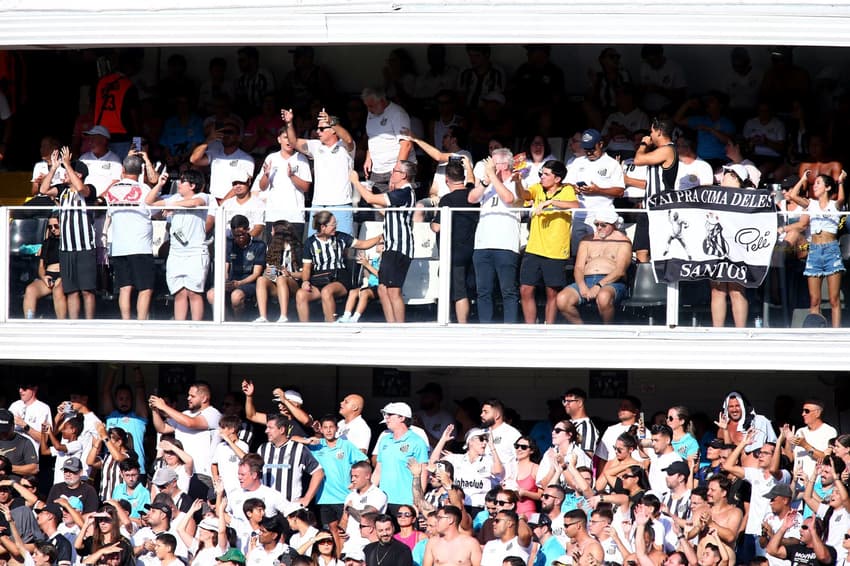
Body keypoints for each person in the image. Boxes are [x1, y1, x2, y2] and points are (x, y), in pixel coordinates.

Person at [350, 161, 417, 323]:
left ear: (403, 175)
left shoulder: (404, 192)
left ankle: (399, 329)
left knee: (394, 291)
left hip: (399, 247)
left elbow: (369, 198)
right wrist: (370, 196)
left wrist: (355, 182)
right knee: (382, 288)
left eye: (395, 171)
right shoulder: (401, 193)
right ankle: (391, 326)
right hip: (391, 246)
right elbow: (385, 210)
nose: (392, 173)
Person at [514, 159, 578, 324]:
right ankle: (530, 327)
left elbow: (575, 205)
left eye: (546, 174)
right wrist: (518, 183)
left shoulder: (567, 190)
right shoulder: (537, 187)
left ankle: (549, 328)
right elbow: (524, 195)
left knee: (552, 292)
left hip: (556, 250)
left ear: (557, 179)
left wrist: (551, 202)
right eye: (542, 173)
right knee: (525, 289)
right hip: (534, 248)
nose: (542, 177)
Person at [38, 148, 98, 319]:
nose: (64, 174)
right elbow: (43, 189)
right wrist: (54, 167)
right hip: (66, 248)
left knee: (87, 290)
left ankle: (89, 324)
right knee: (71, 291)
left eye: (68, 172)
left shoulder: (89, 189)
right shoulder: (62, 190)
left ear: (78, 174)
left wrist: (68, 165)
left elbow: (81, 188)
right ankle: (73, 324)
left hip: (85, 246)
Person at [782, 170, 846, 327]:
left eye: (818, 183)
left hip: (832, 250)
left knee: (833, 299)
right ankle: (815, 331)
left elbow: (842, 198)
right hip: (815, 251)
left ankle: (835, 334)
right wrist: (803, 179)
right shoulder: (812, 204)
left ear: (828, 187)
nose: (814, 185)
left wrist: (841, 182)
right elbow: (793, 196)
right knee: (814, 299)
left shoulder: (834, 204)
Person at [145, 169, 210, 321]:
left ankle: (196, 329)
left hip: (195, 252)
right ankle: (180, 328)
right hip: (175, 253)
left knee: (194, 293)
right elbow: (149, 202)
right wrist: (159, 185)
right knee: (179, 293)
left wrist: (173, 206)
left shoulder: (203, 196)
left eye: (183, 181)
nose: (178, 184)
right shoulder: (174, 198)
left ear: (192, 185)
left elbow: (195, 203)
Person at [296, 210, 383, 322]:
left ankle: (331, 325)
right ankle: (305, 329)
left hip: (339, 278)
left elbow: (363, 244)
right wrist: (305, 281)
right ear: (323, 227)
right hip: (319, 279)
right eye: (333, 224)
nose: (336, 227)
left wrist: (379, 237)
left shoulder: (341, 237)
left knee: (327, 292)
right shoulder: (310, 242)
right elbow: (307, 267)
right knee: (300, 294)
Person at [283, 108, 357, 238]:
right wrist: (289, 123)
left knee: (343, 245)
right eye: (317, 129)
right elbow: (293, 142)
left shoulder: (345, 147)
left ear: (333, 129)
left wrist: (331, 121)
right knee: (315, 245)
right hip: (318, 204)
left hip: (341, 204)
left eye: (322, 129)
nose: (318, 132)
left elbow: (349, 140)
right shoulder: (315, 146)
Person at [469, 152, 521, 323]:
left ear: (505, 165)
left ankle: (510, 330)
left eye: (492, 162)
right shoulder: (487, 183)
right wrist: (486, 180)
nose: (488, 165)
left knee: (508, 291)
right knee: (483, 291)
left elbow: (508, 198)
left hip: (506, 245)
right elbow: (471, 198)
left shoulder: (517, 183)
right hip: (483, 244)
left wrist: (491, 175)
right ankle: (485, 328)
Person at [101, 154, 154, 320]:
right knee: (145, 288)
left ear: (123, 170)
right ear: (140, 172)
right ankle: (140, 323)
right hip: (140, 246)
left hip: (119, 247)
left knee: (124, 287)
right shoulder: (144, 189)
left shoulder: (112, 190)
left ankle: (126, 321)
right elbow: (156, 211)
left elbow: (108, 214)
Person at [556, 209, 631, 324]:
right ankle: (582, 330)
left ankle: (607, 331)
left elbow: (620, 270)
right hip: (586, 280)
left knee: (604, 296)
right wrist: (582, 286)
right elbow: (579, 267)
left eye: (603, 225)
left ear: (614, 225)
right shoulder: (587, 240)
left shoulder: (623, 241)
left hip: (612, 282)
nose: (599, 228)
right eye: (596, 224)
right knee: (562, 299)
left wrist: (598, 285)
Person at [430, 157, 479, 324]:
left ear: (446, 180)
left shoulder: (447, 200)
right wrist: (469, 167)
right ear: (463, 178)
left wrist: (432, 219)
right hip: (471, 250)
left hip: (453, 253)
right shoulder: (473, 196)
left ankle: (461, 325)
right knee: (464, 289)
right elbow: (471, 182)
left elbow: (437, 227)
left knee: (459, 292)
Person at [149, 381, 222, 486]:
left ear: (204, 398)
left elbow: (190, 423)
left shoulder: (213, 414)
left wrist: (164, 406)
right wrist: (155, 410)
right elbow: (162, 428)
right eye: (188, 395)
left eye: (192, 396)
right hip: (181, 472)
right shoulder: (185, 414)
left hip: (201, 474)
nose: (188, 398)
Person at [565, 129, 626, 252]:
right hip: (579, 216)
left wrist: (598, 190)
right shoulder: (577, 162)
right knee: (578, 254)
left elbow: (620, 191)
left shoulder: (612, 164)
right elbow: (566, 183)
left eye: (592, 148)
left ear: (601, 144)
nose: (589, 152)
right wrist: (574, 188)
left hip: (602, 215)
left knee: (599, 252)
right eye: (586, 149)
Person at [633, 118, 678, 262]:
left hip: (661, 208)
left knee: (660, 250)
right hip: (648, 209)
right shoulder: (659, 151)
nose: (650, 135)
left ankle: (661, 284)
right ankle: (644, 283)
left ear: (659, 132)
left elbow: (638, 160)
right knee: (641, 250)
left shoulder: (668, 149)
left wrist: (643, 144)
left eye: (651, 131)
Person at [255, 127, 312, 239]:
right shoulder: (271, 158)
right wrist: (266, 175)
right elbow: (262, 187)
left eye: (291, 138)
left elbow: (306, 187)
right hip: (274, 215)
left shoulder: (301, 158)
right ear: (279, 139)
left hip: (295, 216)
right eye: (285, 137)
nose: (289, 141)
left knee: (295, 253)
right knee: (273, 253)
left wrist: (292, 176)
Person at [206, 215, 266, 320]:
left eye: (242, 234)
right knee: (211, 295)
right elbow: (225, 266)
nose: (239, 238)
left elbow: (256, 273)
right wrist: (224, 281)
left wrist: (239, 283)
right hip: (231, 281)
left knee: (236, 297)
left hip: (249, 282)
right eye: (235, 235)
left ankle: (238, 322)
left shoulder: (259, 245)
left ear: (248, 229)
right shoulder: (229, 243)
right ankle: (227, 321)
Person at [257, 414, 324, 505]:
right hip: (267, 508)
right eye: (266, 427)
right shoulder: (262, 449)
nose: (266, 431)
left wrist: (307, 498)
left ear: (282, 430)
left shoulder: (298, 449)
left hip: (290, 508)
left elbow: (318, 472)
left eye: (270, 428)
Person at [373, 403, 429, 512]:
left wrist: (417, 502)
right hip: (383, 501)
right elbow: (378, 471)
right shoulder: (384, 440)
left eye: (390, 414)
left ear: (402, 418)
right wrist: (369, 495)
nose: (386, 418)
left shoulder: (417, 441)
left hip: (407, 502)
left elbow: (423, 474)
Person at [361, 88, 414, 194]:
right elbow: (373, 137)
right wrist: (368, 157)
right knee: (376, 206)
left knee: (397, 206)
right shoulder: (371, 112)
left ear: (382, 101)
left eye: (371, 105)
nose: (369, 109)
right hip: (377, 169)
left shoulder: (397, 114)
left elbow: (406, 144)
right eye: (367, 106)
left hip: (395, 168)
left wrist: (397, 172)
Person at [189, 117, 255, 202]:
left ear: (238, 137)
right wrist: (209, 140)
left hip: (234, 202)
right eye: (224, 132)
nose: (226, 135)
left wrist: (223, 203)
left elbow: (242, 185)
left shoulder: (246, 159)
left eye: (230, 132)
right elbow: (194, 159)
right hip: (213, 200)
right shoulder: (215, 153)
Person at [253, 220, 303, 323]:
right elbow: (269, 275)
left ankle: (283, 316)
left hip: (294, 284)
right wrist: (271, 271)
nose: (271, 234)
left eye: (272, 231)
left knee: (281, 279)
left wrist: (289, 274)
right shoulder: (272, 248)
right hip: (277, 283)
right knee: (261, 279)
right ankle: (263, 317)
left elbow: (304, 274)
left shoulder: (297, 249)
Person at [102, 366, 148, 475]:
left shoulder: (138, 418)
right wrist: (113, 367)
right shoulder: (111, 416)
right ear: (115, 400)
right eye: (121, 399)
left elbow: (140, 388)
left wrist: (136, 368)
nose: (124, 402)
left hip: (136, 471)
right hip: (112, 471)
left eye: (127, 398)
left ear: (132, 400)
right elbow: (106, 391)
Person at [23, 215, 66, 319]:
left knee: (58, 290)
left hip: (64, 275)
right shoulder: (47, 243)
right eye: (50, 227)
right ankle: (29, 322)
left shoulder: (68, 242)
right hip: (49, 275)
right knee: (30, 290)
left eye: (56, 226)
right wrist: (43, 277)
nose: (53, 229)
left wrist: (62, 277)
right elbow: (41, 266)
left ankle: (62, 324)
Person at [208, 173, 265, 239]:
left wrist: (244, 240)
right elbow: (219, 226)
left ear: (249, 182)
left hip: (250, 244)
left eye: (241, 183)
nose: (238, 186)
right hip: (227, 243)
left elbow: (258, 228)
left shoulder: (258, 204)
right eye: (235, 184)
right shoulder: (226, 204)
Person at [765, 514, 835, 565]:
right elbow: (771, 550)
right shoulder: (797, 548)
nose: (800, 530)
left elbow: (822, 557)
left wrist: (813, 532)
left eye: (804, 527)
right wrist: (784, 527)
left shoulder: (829, 550)